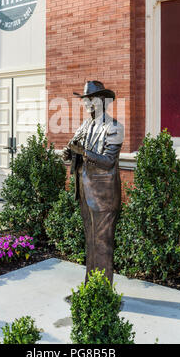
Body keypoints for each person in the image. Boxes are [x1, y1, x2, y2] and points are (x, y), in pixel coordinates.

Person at [62, 81, 124, 284]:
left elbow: (108, 161)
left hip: (103, 196)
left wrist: (83, 152)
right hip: (84, 192)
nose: (87, 104)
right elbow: (76, 152)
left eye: (91, 100)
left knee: (103, 243)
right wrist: (70, 153)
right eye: (85, 100)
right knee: (90, 241)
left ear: (103, 101)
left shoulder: (114, 128)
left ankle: (103, 292)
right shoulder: (85, 126)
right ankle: (91, 287)